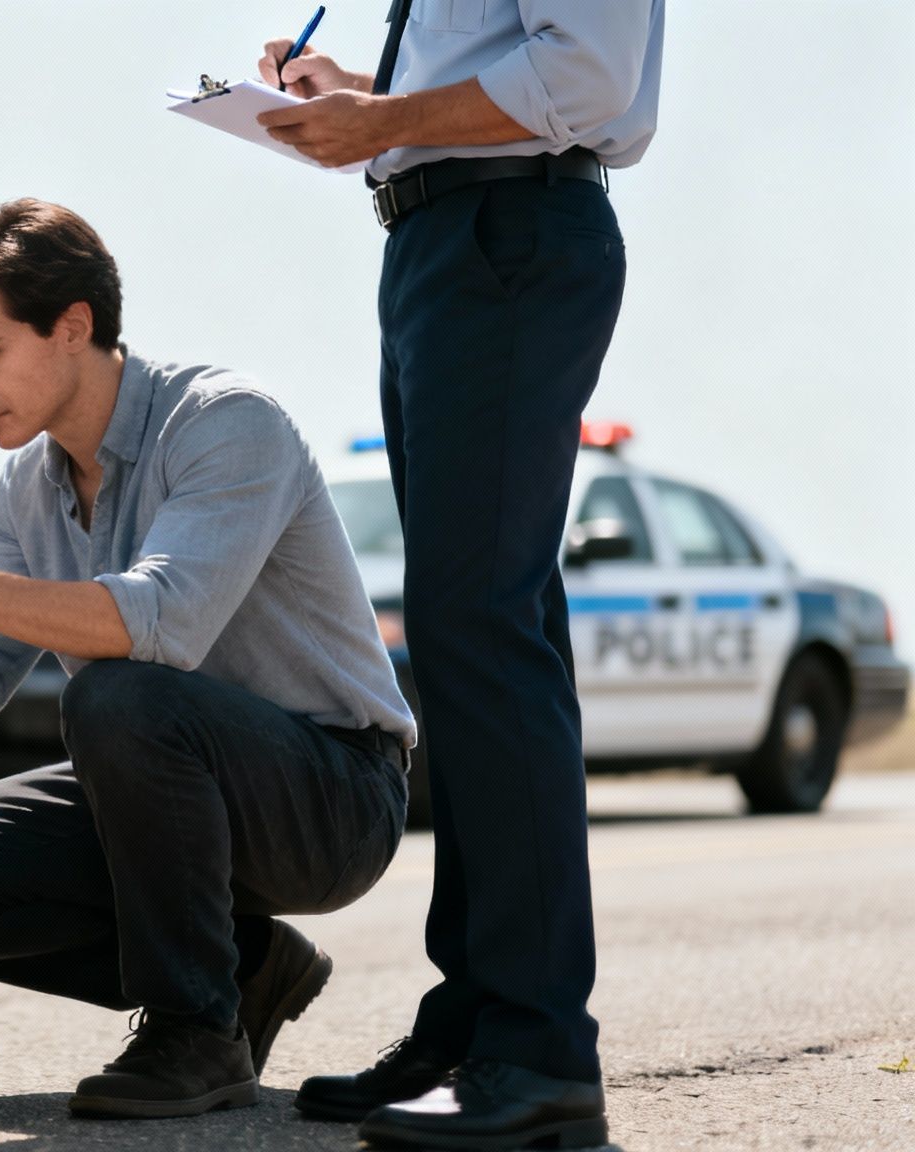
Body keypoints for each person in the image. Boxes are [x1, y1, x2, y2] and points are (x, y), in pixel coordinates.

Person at [0, 198, 416, 1119]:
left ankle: (196, 1031)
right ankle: (244, 972)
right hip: (158, 787)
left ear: (73, 327)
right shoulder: (27, 484)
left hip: (332, 799)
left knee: (120, 694)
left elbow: (161, 623)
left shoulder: (228, 422)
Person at [250, 3, 665, 1148]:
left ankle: (534, 1050)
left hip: (506, 235)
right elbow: (484, 68)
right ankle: (480, 1020)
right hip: (441, 242)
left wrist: (380, 114)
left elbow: (578, 74)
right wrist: (360, 95)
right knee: (474, 631)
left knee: (478, 627)